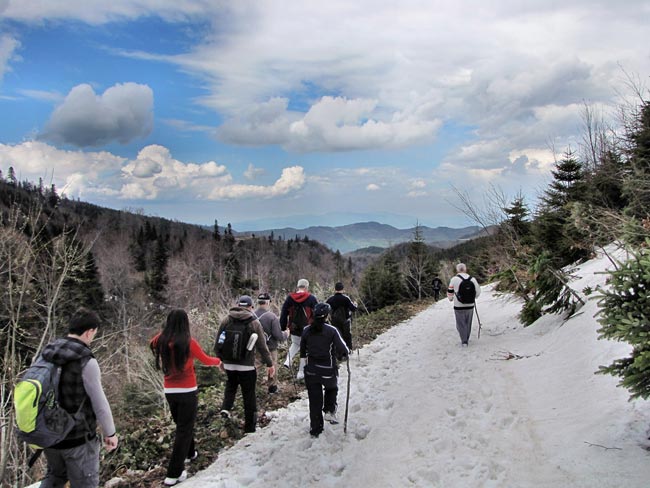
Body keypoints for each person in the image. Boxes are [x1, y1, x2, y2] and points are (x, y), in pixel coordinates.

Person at [39, 308, 118, 488]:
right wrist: (110, 433)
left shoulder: (47, 353)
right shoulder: (85, 360)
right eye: (94, 333)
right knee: (85, 483)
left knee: (54, 477)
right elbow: (99, 402)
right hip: (78, 438)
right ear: (89, 331)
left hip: (49, 435)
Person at [150, 309, 222, 486]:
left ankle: (190, 453)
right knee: (184, 429)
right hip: (188, 390)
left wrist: (165, 337)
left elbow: (152, 343)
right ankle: (174, 473)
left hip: (170, 391)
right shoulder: (189, 343)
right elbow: (206, 359)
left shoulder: (160, 340)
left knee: (183, 426)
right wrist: (219, 361)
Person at [216, 295, 275, 433]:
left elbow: (218, 342)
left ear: (238, 305)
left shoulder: (226, 319)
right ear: (250, 307)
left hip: (229, 364)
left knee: (231, 385)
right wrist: (270, 364)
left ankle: (225, 408)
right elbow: (262, 346)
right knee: (249, 395)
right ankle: (250, 427)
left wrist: (221, 360)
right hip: (247, 365)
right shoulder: (254, 322)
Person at [300, 302, 350, 438]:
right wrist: (344, 355)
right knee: (332, 388)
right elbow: (344, 349)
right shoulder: (331, 331)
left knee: (314, 400)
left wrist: (301, 369)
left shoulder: (306, 331)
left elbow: (302, 352)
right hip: (328, 369)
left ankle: (315, 429)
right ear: (327, 315)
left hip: (311, 371)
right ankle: (329, 409)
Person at [280, 279, 318, 379]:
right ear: (306, 287)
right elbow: (317, 313)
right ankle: (301, 372)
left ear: (298, 287)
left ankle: (288, 360)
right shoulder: (311, 298)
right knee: (305, 350)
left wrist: (283, 327)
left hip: (294, 327)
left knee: (295, 344)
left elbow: (284, 313)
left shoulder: (290, 298)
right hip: (308, 329)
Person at [254, 292, 288, 394]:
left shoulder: (251, 315)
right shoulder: (272, 317)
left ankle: (249, 385)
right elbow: (278, 336)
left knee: (255, 366)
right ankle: (272, 388)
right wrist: (286, 334)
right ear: (268, 302)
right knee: (272, 366)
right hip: (271, 347)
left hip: (257, 347)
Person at [447, 263, 481, 347]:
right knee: (468, 323)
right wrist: (474, 297)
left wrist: (451, 299)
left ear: (457, 270)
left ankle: (464, 341)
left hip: (458, 306)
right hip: (470, 305)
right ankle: (467, 338)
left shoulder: (454, 279)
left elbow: (450, 291)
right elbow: (478, 291)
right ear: (465, 269)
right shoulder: (472, 279)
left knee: (460, 323)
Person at [325, 282, 357, 350]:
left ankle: (338, 353)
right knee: (347, 336)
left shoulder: (330, 299)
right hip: (346, 320)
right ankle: (349, 350)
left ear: (335, 289)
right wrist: (355, 305)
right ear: (342, 289)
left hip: (334, 321)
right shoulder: (346, 298)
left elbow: (325, 309)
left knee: (337, 337)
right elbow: (353, 309)